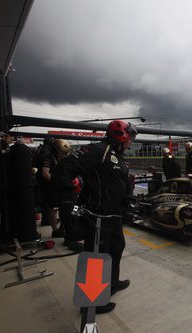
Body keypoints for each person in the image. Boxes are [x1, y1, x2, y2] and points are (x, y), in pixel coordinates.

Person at [53, 120, 137, 314]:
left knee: (117, 247)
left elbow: (125, 184)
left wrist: (130, 203)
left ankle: (111, 283)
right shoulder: (99, 150)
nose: (131, 141)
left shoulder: (119, 157)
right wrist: (70, 193)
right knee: (96, 257)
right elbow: (64, 169)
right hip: (98, 215)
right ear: (121, 135)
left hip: (114, 215)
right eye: (131, 137)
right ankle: (91, 303)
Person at [34, 138, 72, 237]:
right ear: (56, 150)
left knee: (64, 207)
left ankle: (62, 227)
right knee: (53, 209)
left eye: (66, 153)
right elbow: (45, 173)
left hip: (58, 186)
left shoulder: (60, 157)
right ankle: (55, 231)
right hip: (49, 186)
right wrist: (57, 182)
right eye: (63, 153)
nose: (65, 155)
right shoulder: (48, 156)